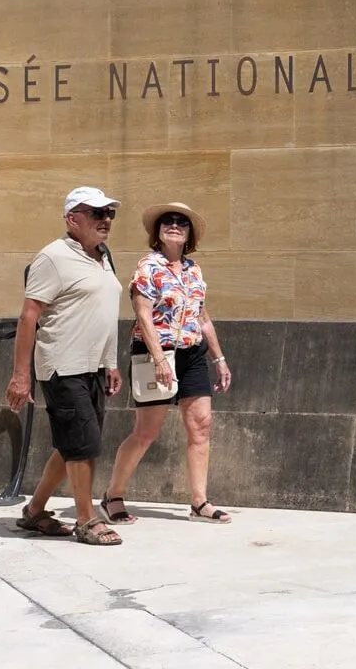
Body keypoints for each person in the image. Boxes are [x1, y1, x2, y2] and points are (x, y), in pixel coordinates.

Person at [100, 201, 234, 524]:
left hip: (191, 355)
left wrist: (220, 358)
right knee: (146, 432)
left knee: (201, 425)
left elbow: (201, 317)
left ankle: (199, 502)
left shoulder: (194, 270)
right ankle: (112, 496)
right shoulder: (148, 266)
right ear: (158, 232)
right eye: (167, 221)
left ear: (189, 234)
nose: (174, 225)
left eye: (181, 222)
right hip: (153, 354)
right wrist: (159, 358)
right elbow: (142, 313)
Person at [5, 186, 125, 547]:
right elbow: (29, 317)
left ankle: (35, 512)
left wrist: (111, 363)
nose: (105, 221)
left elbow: (103, 312)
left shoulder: (103, 256)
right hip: (63, 366)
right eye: (96, 213)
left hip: (93, 368)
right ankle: (86, 520)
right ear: (73, 219)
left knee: (73, 443)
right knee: (82, 446)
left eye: (110, 214)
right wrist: (20, 376)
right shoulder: (53, 257)